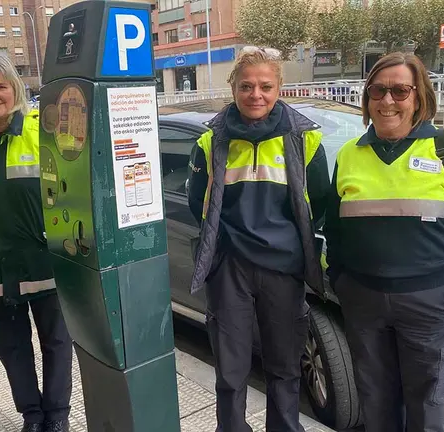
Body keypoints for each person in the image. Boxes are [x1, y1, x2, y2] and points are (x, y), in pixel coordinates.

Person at [324, 52, 444, 432]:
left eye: (400, 91)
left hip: (430, 302)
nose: (388, 101)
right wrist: (341, 280)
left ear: (419, 97)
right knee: (375, 400)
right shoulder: (350, 154)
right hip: (363, 301)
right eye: (378, 91)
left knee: (427, 406)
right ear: (367, 98)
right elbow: (334, 227)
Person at [187, 46, 330, 432]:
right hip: (230, 268)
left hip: (284, 270)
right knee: (230, 369)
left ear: (280, 87)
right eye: (247, 86)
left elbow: (321, 205)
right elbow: (194, 203)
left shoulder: (305, 141)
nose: (256, 95)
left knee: (284, 366)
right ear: (233, 87)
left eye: (266, 86)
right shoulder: (210, 142)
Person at [0, 52, 73, 432]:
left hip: (45, 263)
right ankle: (32, 416)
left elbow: (71, 195)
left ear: (16, 89)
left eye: (2, 85)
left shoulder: (44, 133)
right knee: (12, 349)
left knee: (56, 344)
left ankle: (56, 416)